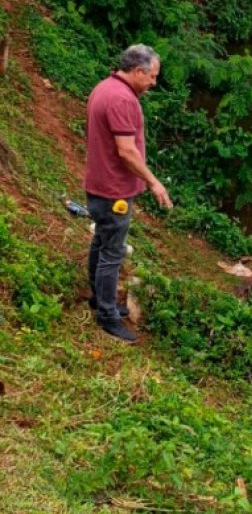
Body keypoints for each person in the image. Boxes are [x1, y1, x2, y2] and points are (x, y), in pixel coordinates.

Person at [85, 44, 173, 342]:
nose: (153, 82)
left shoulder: (105, 87)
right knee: (112, 253)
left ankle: (99, 299)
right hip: (114, 192)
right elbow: (126, 151)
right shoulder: (123, 100)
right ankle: (107, 315)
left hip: (98, 184)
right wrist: (153, 181)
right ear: (138, 71)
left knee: (101, 242)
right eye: (152, 76)